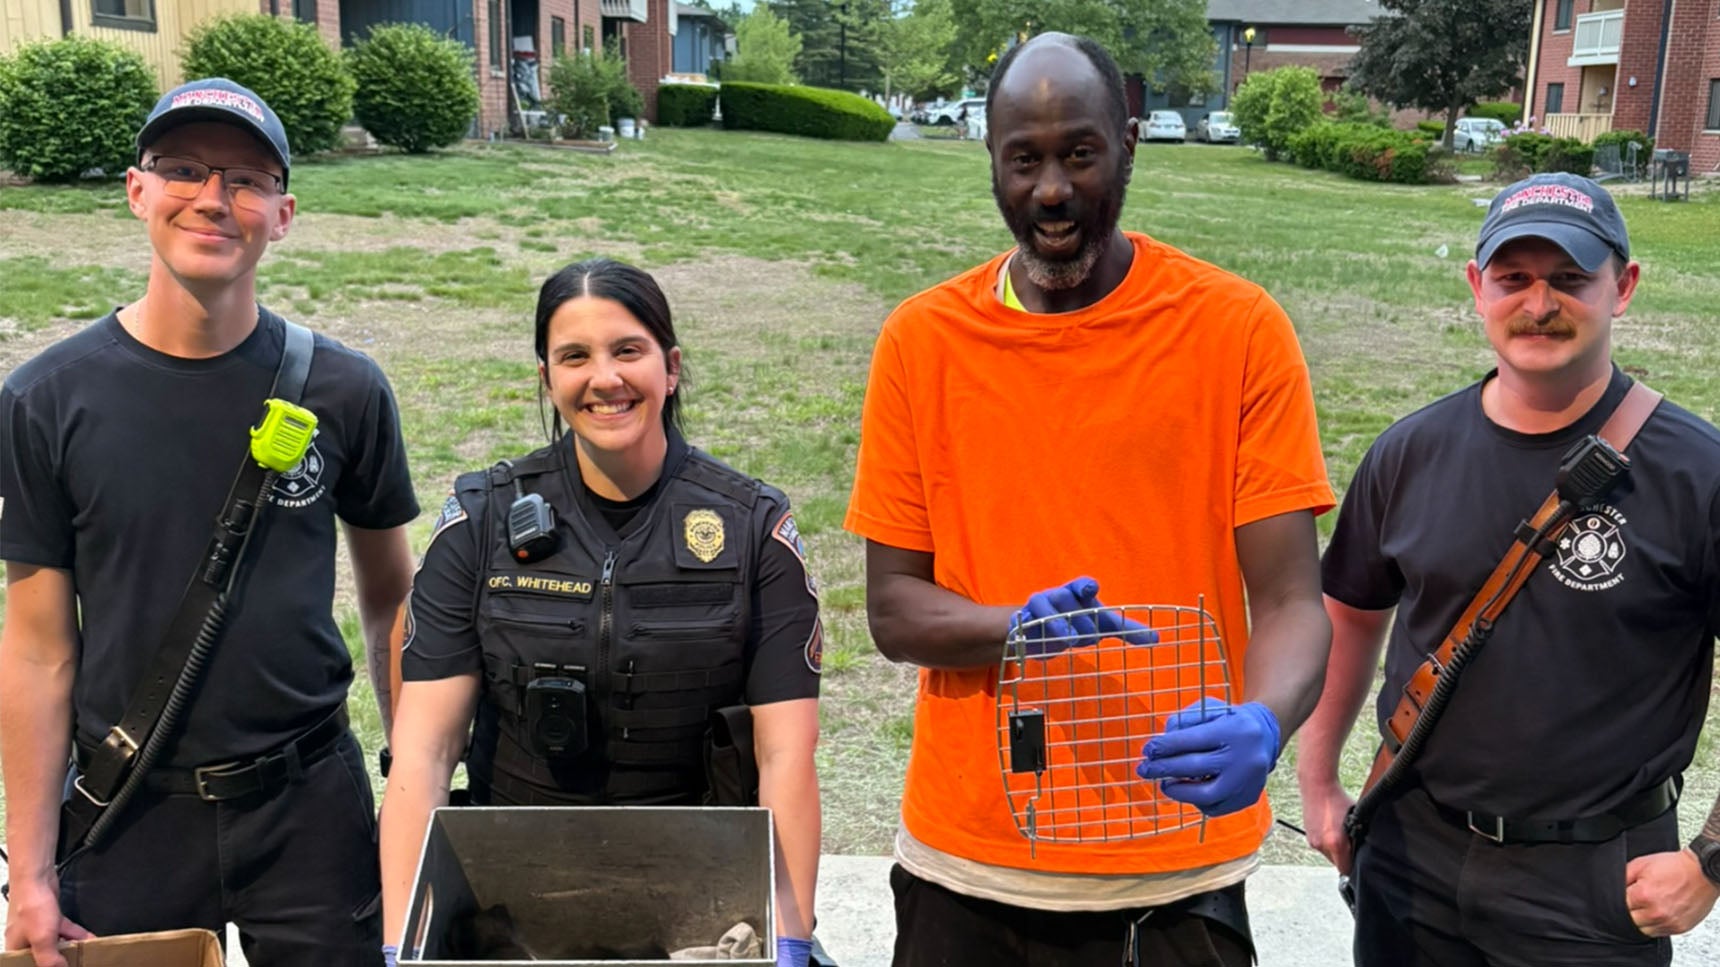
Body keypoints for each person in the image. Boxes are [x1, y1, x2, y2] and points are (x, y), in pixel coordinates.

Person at [844, 32, 1334, 966]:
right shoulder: (921, 342)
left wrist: (1265, 722)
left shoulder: (1236, 330)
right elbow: (894, 609)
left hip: (1175, 873)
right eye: (1023, 159)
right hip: (967, 867)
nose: (1053, 189)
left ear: (1129, 143)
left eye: (1079, 151)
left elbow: (1289, 603)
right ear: (990, 159)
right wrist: (1012, 627)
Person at [0, 78, 418, 967]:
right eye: (183, 168)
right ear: (136, 190)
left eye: (246, 179)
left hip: (310, 807)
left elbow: (393, 603)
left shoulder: (346, 389)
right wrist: (31, 872)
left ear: (285, 212)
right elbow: (37, 648)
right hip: (125, 812)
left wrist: (415, 794)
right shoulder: (45, 401)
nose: (213, 199)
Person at [1299, 172, 1720, 966]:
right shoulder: (1409, 453)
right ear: (1475, 286)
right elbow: (1349, 614)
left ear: (1622, 287)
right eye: (1513, 278)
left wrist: (1709, 862)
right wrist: (1318, 779)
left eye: (1569, 278)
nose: (1538, 304)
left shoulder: (1698, 474)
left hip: (1595, 881)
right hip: (1412, 857)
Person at [378, 258, 822, 967]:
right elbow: (424, 754)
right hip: (511, 905)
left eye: (628, 350)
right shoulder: (481, 518)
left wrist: (790, 937)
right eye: (575, 356)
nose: (604, 378)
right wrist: (402, 944)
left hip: (699, 905)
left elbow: (786, 756)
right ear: (547, 379)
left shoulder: (750, 526)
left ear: (670, 367)